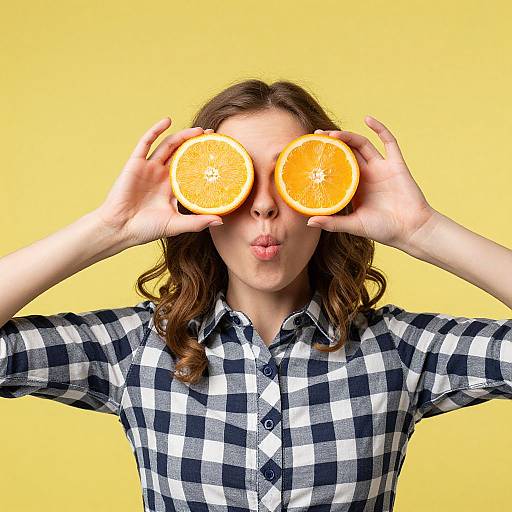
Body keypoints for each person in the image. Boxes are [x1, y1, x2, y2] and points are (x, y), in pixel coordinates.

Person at [1, 79, 511, 512]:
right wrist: (108, 228)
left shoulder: (397, 350)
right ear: (200, 199)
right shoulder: (140, 348)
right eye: (238, 179)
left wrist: (422, 229)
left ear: (334, 192)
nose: (264, 205)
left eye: (289, 177)